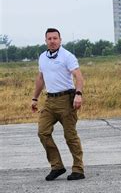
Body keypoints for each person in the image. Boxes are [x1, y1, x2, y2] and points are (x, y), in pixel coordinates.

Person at [31, 28, 85, 181]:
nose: (52, 41)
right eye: (49, 38)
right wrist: (35, 98)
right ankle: (57, 166)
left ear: (60, 40)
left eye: (55, 38)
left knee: (70, 135)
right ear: (46, 41)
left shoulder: (67, 56)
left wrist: (79, 94)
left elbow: (78, 77)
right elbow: (41, 79)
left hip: (66, 99)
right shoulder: (42, 57)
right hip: (50, 101)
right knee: (43, 132)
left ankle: (78, 169)